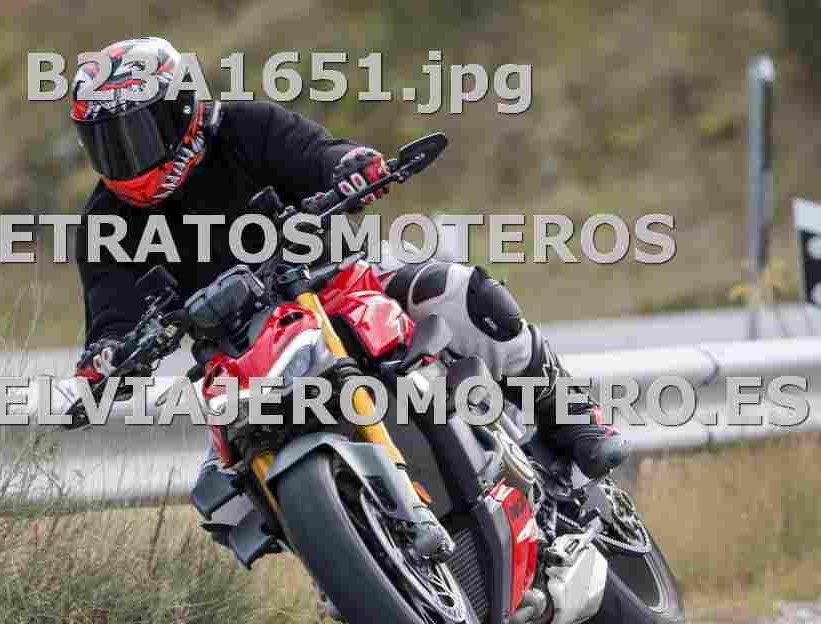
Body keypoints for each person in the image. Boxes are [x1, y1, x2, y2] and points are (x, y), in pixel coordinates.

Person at [68, 37, 628, 559]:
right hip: (239, 356)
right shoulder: (105, 221)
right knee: (225, 501)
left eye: (136, 133)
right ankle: (351, 563)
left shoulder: (246, 127)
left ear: (183, 109)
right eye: (106, 142)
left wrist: (350, 167)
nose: (124, 156)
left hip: (334, 287)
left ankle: (572, 417)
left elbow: (318, 153)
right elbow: (112, 314)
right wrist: (105, 358)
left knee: (460, 294)